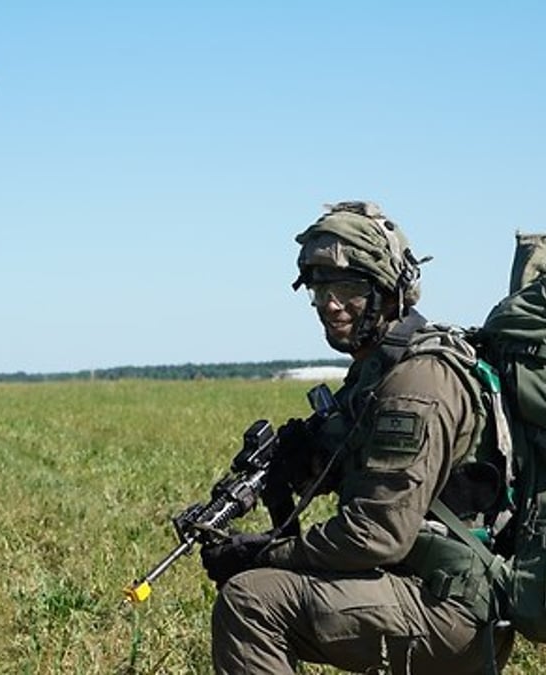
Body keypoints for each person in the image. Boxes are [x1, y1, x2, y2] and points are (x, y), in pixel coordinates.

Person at [201, 201, 514, 674]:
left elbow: (374, 535)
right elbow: (343, 459)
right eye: (320, 288)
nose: (330, 303)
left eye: (348, 287)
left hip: (452, 608)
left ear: (389, 292)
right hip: (431, 583)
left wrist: (263, 553)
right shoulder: (378, 371)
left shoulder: (415, 385)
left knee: (249, 601)